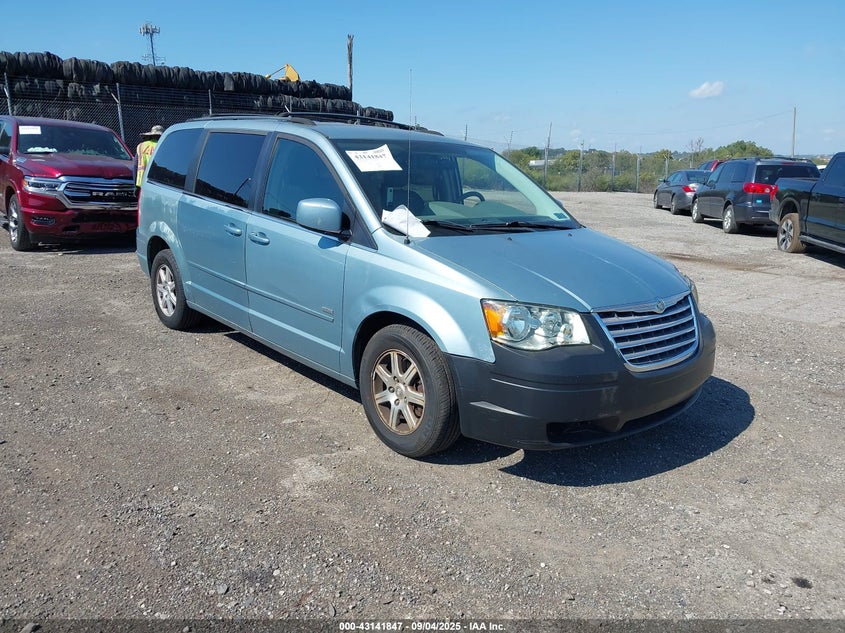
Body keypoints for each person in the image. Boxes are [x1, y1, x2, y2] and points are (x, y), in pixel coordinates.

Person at [135, 124, 164, 194]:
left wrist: (135, 186)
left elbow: (135, 166)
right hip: (157, 184)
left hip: (141, 184)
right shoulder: (163, 146)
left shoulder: (141, 146)